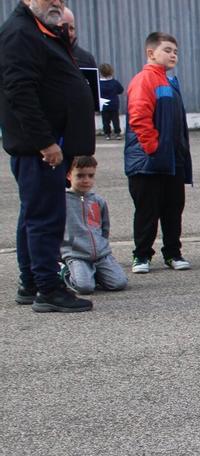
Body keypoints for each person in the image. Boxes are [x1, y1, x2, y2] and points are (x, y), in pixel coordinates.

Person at [0, 0, 96, 312]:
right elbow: (19, 92)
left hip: (50, 145)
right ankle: (48, 289)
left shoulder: (40, 30)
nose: (57, 2)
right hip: (41, 149)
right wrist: (46, 142)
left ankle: (31, 281)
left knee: (34, 214)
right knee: (45, 218)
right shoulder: (20, 33)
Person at [125, 31, 193, 273]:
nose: (173, 55)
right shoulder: (145, 80)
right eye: (167, 50)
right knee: (147, 211)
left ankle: (173, 253)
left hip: (171, 161)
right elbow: (139, 118)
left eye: (175, 51)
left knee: (173, 209)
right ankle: (141, 255)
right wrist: (154, 148)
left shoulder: (169, 82)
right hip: (148, 162)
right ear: (151, 53)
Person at [60, 156, 127, 294]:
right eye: (80, 176)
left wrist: (101, 244)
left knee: (119, 283)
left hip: (101, 254)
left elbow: (104, 227)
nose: (86, 180)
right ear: (69, 176)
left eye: (90, 176)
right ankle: (64, 271)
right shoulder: (62, 200)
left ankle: (94, 272)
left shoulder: (98, 201)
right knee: (85, 288)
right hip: (76, 254)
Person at [98, 63, 124, 140]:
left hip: (103, 104)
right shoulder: (115, 82)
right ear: (111, 71)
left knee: (105, 120)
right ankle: (117, 133)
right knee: (115, 119)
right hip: (114, 104)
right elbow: (121, 90)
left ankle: (107, 134)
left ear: (101, 72)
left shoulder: (99, 83)